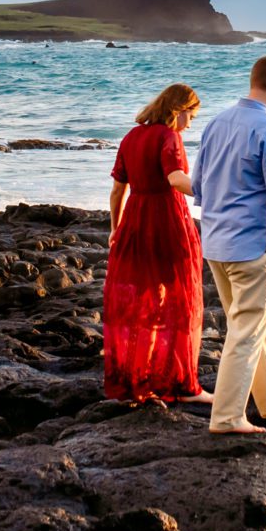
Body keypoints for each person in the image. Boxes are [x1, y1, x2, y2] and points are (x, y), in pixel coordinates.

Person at [190, 53, 266, 435]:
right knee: (246, 331)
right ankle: (227, 417)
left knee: (246, 325)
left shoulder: (216, 123)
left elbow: (197, 186)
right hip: (251, 246)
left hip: (215, 242)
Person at [102, 81, 212, 404]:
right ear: (177, 111)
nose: (191, 123)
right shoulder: (169, 137)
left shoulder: (130, 137)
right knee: (178, 300)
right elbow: (176, 179)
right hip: (166, 222)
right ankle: (179, 383)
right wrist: (214, 191)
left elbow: (116, 191)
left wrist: (115, 227)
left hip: (135, 222)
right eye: (191, 115)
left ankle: (137, 379)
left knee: (141, 301)